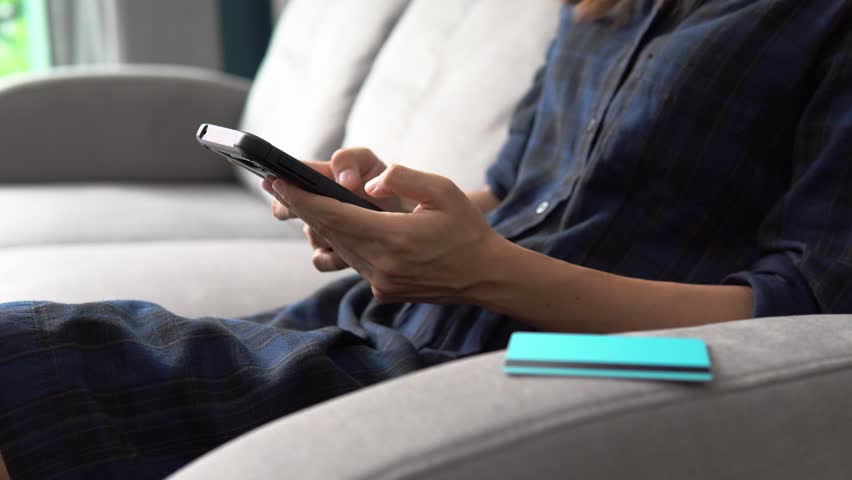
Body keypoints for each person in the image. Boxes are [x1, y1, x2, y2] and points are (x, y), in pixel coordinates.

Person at [2, 0, 851, 478]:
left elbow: (802, 309)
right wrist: (383, 214)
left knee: (39, 360)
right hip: (425, 306)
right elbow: (522, 190)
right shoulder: (603, 6)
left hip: (554, 362)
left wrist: (482, 273)